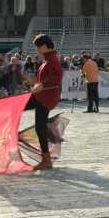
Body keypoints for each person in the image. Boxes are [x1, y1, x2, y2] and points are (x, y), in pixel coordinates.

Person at [25, 34, 63, 171]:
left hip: (45, 97)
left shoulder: (52, 59)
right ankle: (46, 158)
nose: (37, 50)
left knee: (39, 127)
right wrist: (35, 83)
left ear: (44, 46)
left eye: (37, 47)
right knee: (39, 126)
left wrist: (41, 85)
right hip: (42, 95)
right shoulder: (48, 59)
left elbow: (57, 76)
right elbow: (45, 78)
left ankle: (46, 160)